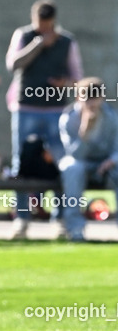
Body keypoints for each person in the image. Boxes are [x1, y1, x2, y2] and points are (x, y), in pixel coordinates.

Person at [5, 0, 83, 239]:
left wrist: (65, 84)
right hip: (26, 108)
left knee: (60, 163)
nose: (43, 28)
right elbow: (13, 64)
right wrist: (38, 44)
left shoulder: (67, 41)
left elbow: (77, 78)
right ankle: (22, 218)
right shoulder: (24, 35)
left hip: (56, 111)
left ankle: (58, 219)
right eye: (40, 24)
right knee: (21, 165)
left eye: (47, 25)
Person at [57, 77, 115, 242]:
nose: (92, 102)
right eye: (87, 97)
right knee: (72, 168)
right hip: (80, 162)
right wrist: (85, 131)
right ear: (78, 97)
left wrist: (112, 160)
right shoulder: (69, 118)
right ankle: (75, 228)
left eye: (95, 97)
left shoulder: (111, 116)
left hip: (106, 163)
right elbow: (74, 155)